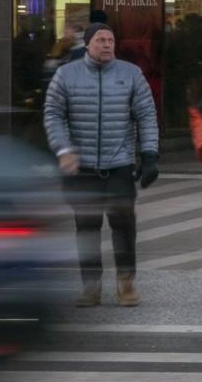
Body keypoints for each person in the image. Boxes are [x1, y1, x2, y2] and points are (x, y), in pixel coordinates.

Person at [43, 22, 159, 308]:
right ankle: (91, 286)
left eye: (110, 40)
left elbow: (146, 114)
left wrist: (149, 154)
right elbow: (53, 115)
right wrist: (63, 149)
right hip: (82, 168)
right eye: (100, 40)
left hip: (119, 164)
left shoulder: (131, 74)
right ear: (87, 44)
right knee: (87, 226)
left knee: (123, 223)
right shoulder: (66, 75)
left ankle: (126, 282)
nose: (107, 44)